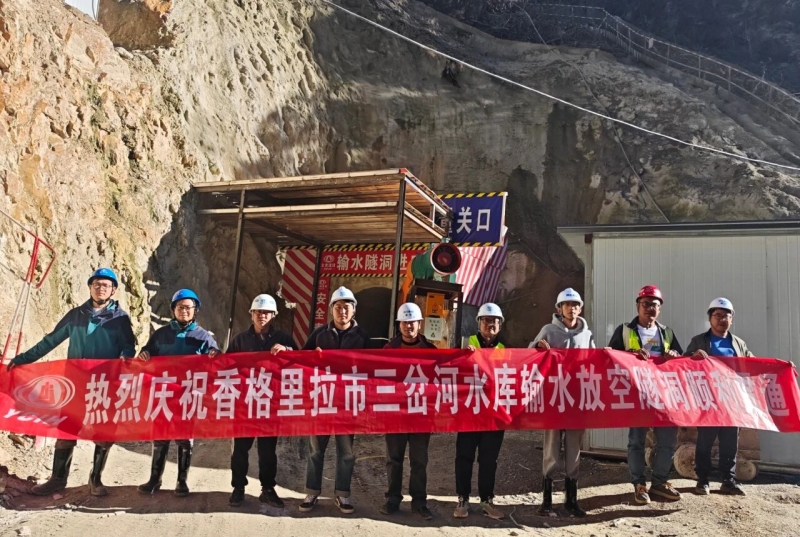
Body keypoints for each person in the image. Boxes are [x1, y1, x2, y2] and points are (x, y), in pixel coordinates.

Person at [7, 268, 136, 497]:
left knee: (104, 432)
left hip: (104, 385)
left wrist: (126, 361)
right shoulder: (76, 315)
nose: (101, 288)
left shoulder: (120, 319)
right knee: (66, 430)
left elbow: (128, 347)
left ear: (113, 290)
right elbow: (50, 341)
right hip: (75, 384)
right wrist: (23, 359)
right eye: (97, 284)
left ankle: (95, 479)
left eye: (106, 285)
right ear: (90, 287)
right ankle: (57, 480)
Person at [136, 289, 219, 497]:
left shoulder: (203, 337)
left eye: (189, 307)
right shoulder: (161, 334)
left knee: (184, 438)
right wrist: (144, 353)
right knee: (160, 437)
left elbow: (216, 361)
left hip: (187, 395)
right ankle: (155, 479)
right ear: (173, 309)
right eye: (180, 307)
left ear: (196, 310)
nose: (184, 311)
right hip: (163, 394)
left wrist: (215, 354)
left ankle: (182, 481)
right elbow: (147, 353)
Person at [608, 285, 683, 505]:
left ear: (660, 309)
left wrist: (674, 354)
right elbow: (610, 356)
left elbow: (680, 358)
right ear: (637, 306)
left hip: (663, 394)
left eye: (654, 305)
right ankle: (639, 484)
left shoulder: (667, 333)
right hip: (637, 394)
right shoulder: (625, 330)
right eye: (645, 304)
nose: (650, 308)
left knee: (667, 441)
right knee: (637, 441)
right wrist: (630, 354)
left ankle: (660, 482)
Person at [299, 286, 369, 515]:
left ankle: (342, 494)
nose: (342, 311)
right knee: (315, 450)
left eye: (347, 307)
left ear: (354, 310)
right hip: (322, 401)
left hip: (348, 403)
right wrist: (311, 356)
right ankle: (312, 492)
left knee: (346, 452)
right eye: (338, 307)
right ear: (331, 310)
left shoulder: (362, 337)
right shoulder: (319, 335)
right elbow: (301, 360)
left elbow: (375, 367)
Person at [531, 288, 594, 517]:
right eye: (567, 304)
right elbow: (530, 354)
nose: (572, 308)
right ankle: (547, 499)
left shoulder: (586, 335)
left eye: (576, 304)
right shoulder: (548, 331)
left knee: (574, 449)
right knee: (551, 447)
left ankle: (571, 500)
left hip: (576, 399)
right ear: (559, 308)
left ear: (580, 308)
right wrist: (538, 348)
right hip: (554, 398)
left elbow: (594, 362)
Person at [228, 294, 295, 509]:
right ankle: (238, 488)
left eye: (266, 312)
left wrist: (288, 351)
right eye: (258, 312)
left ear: (274, 315)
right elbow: (226, 365)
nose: (262, 316)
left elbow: (300, 362)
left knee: (267, 451)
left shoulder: (283, 338)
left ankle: (268, 489)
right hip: (245, 404)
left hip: (270, 404)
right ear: (251, 314)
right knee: (240, 449)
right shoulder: (239, 340)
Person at [687, 298, 752, 496]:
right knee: (705, 443)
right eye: (718, 315)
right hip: (709, 401)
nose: (722, 319)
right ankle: (702, 480)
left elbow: (752, 363)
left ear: (732, 319)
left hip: (732, 402)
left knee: (730, 443)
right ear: (710, 318)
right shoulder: (699, 341)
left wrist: (780, 366)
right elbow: (683, 364)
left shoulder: (738, 343)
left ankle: (728, 480)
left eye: (726, 315)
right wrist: (693, 357)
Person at [380, 302, 437, 521]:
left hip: (420, 414)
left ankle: (419, 502)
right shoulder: (388, 350)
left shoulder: (431, 351)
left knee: (419, 460)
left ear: (419, 324)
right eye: (404, 322)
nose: (408, 326)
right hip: (395, 414)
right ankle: (393, 499)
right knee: (394, 459)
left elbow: (442, 377)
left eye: (412, 322)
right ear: (399, 325)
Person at [453, 302, 506, 520]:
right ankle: (463, 499)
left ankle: (486, 500)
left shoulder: (506, 351)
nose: (490, 324)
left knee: (488, 460)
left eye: (494, 321)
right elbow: (451, 370)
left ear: (500, 325)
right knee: (464, 457)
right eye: (486, 320)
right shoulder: (466, 344)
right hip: (469, 413)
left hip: (493, 416)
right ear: (479, 323)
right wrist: (462, 356)